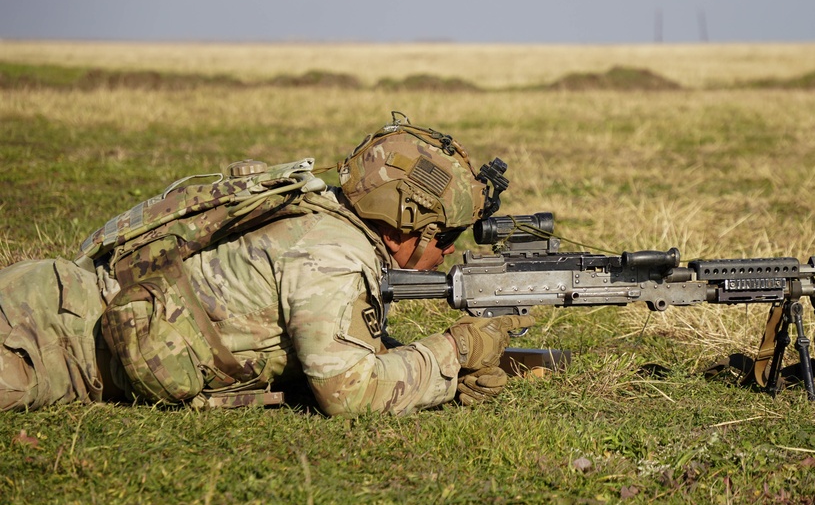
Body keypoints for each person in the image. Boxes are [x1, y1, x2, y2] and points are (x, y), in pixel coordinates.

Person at [0, 116, 533, 415]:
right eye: (446, 237)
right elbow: (350, 394)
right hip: (44, 342)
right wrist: (457, 350)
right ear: (405, 227)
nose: (448, 253)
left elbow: (330, 349)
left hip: (51, 304)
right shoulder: (331, 255)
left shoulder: (321, 212)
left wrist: (439, 377)